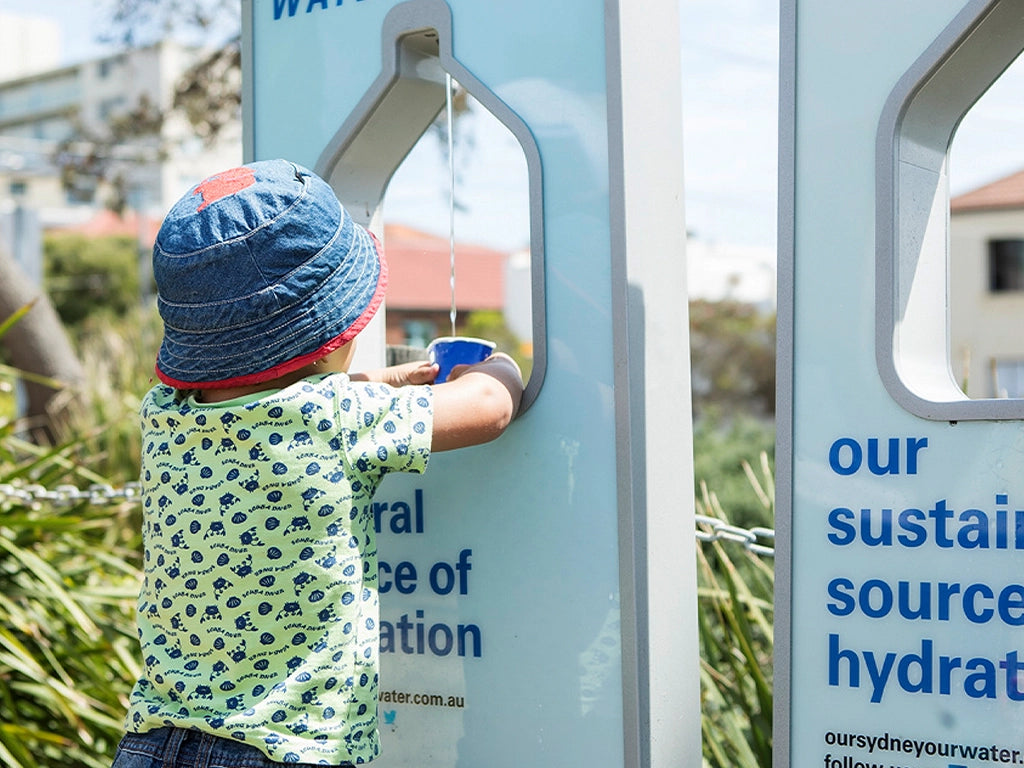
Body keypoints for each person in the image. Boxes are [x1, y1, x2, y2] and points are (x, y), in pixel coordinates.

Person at [112, 159, 523, 768]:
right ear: (336, 329)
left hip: (152, 742)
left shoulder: (164, 414)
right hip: (283, 751)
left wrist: (367, 385)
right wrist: (498, 366)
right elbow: (488, 408)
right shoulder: (339, 418)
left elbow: (274, 406)